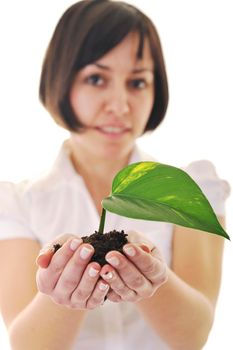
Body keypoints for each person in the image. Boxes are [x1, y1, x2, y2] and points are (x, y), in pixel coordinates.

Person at [0, 1, 230, 349]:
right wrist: (60, 293)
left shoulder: (189, 190)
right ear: (60, 80)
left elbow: (193, 336)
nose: (120, 106)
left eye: (138, 82)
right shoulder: (17, 204)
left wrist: (155, 278)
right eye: (96, 78)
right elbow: (27, 343)